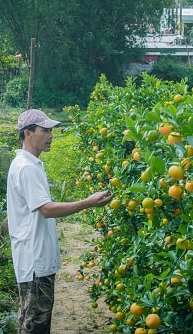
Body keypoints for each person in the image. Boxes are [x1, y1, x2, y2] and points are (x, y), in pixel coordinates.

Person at [6, 109, 113, 334]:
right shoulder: (26, 168)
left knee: (31, 321)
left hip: (35, 259)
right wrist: (87, 202)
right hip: (35, 262)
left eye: (51, 130)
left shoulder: (30, 164)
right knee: (35, 326)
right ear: (28, 133)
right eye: (45, 130)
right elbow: (45, 209)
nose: (51, 135)